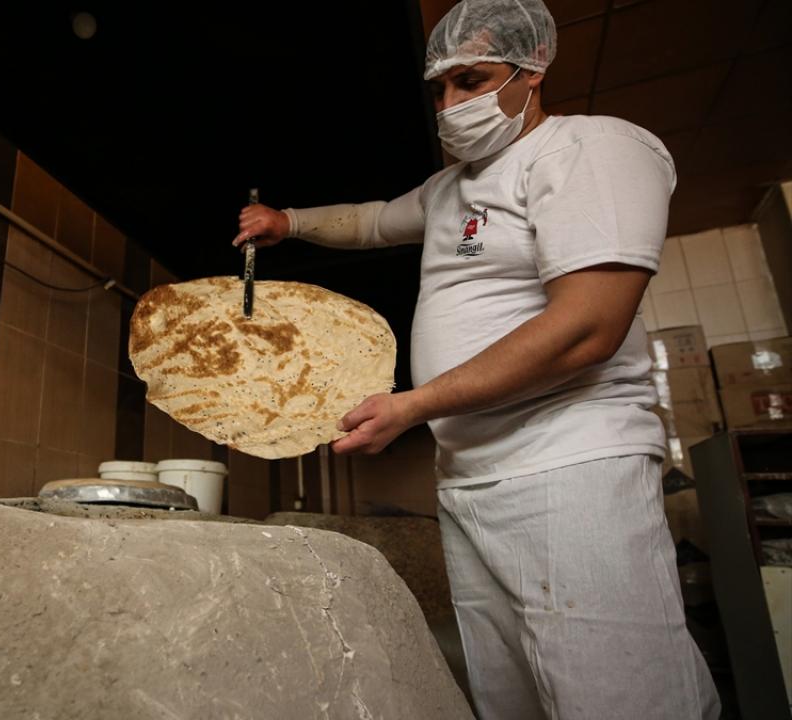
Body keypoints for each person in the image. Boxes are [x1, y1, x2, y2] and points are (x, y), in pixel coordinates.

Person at [232, 1, 721, 718]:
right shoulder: (450, 189)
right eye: (440, 89)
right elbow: (371, 221)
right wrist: (290, 222)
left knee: (617, 695)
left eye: (472, 80)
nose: (451, 105)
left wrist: (412, 406)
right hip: (468, 479)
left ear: (533, 71)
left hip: (568, 464)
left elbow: (588, 328)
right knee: (512, 693)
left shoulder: (590, 150)